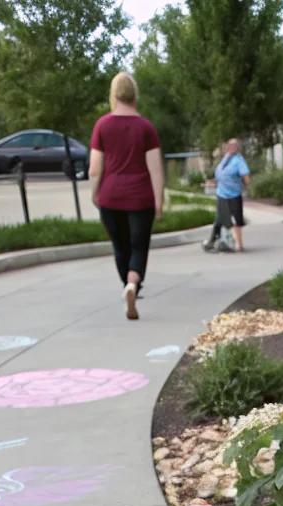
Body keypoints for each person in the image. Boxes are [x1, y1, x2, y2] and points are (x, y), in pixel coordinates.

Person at [89, 72, 164, 321]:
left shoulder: (102, 125)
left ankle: (126, 286)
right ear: (135, 95)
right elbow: (155, 169)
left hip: (110, 197)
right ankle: (133, 284)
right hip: (140, 198)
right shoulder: (146, 127)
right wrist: (159, 201)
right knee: (139, 246)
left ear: (113, 94)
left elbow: (95, 168)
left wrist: (94, 193)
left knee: (120, 247)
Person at [204, 138, 251, 253]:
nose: (230, 147)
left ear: (237, 147)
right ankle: (215, 241)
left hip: (234, 194)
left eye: (233, 145)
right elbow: (221, 175)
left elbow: (246, 177)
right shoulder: (225, 158)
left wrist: (246, 187)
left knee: (236, 220)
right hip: (222, 193)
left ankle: (238, 244)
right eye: (229, 145)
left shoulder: (239, 160)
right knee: (220, 218)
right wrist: (213, 182)